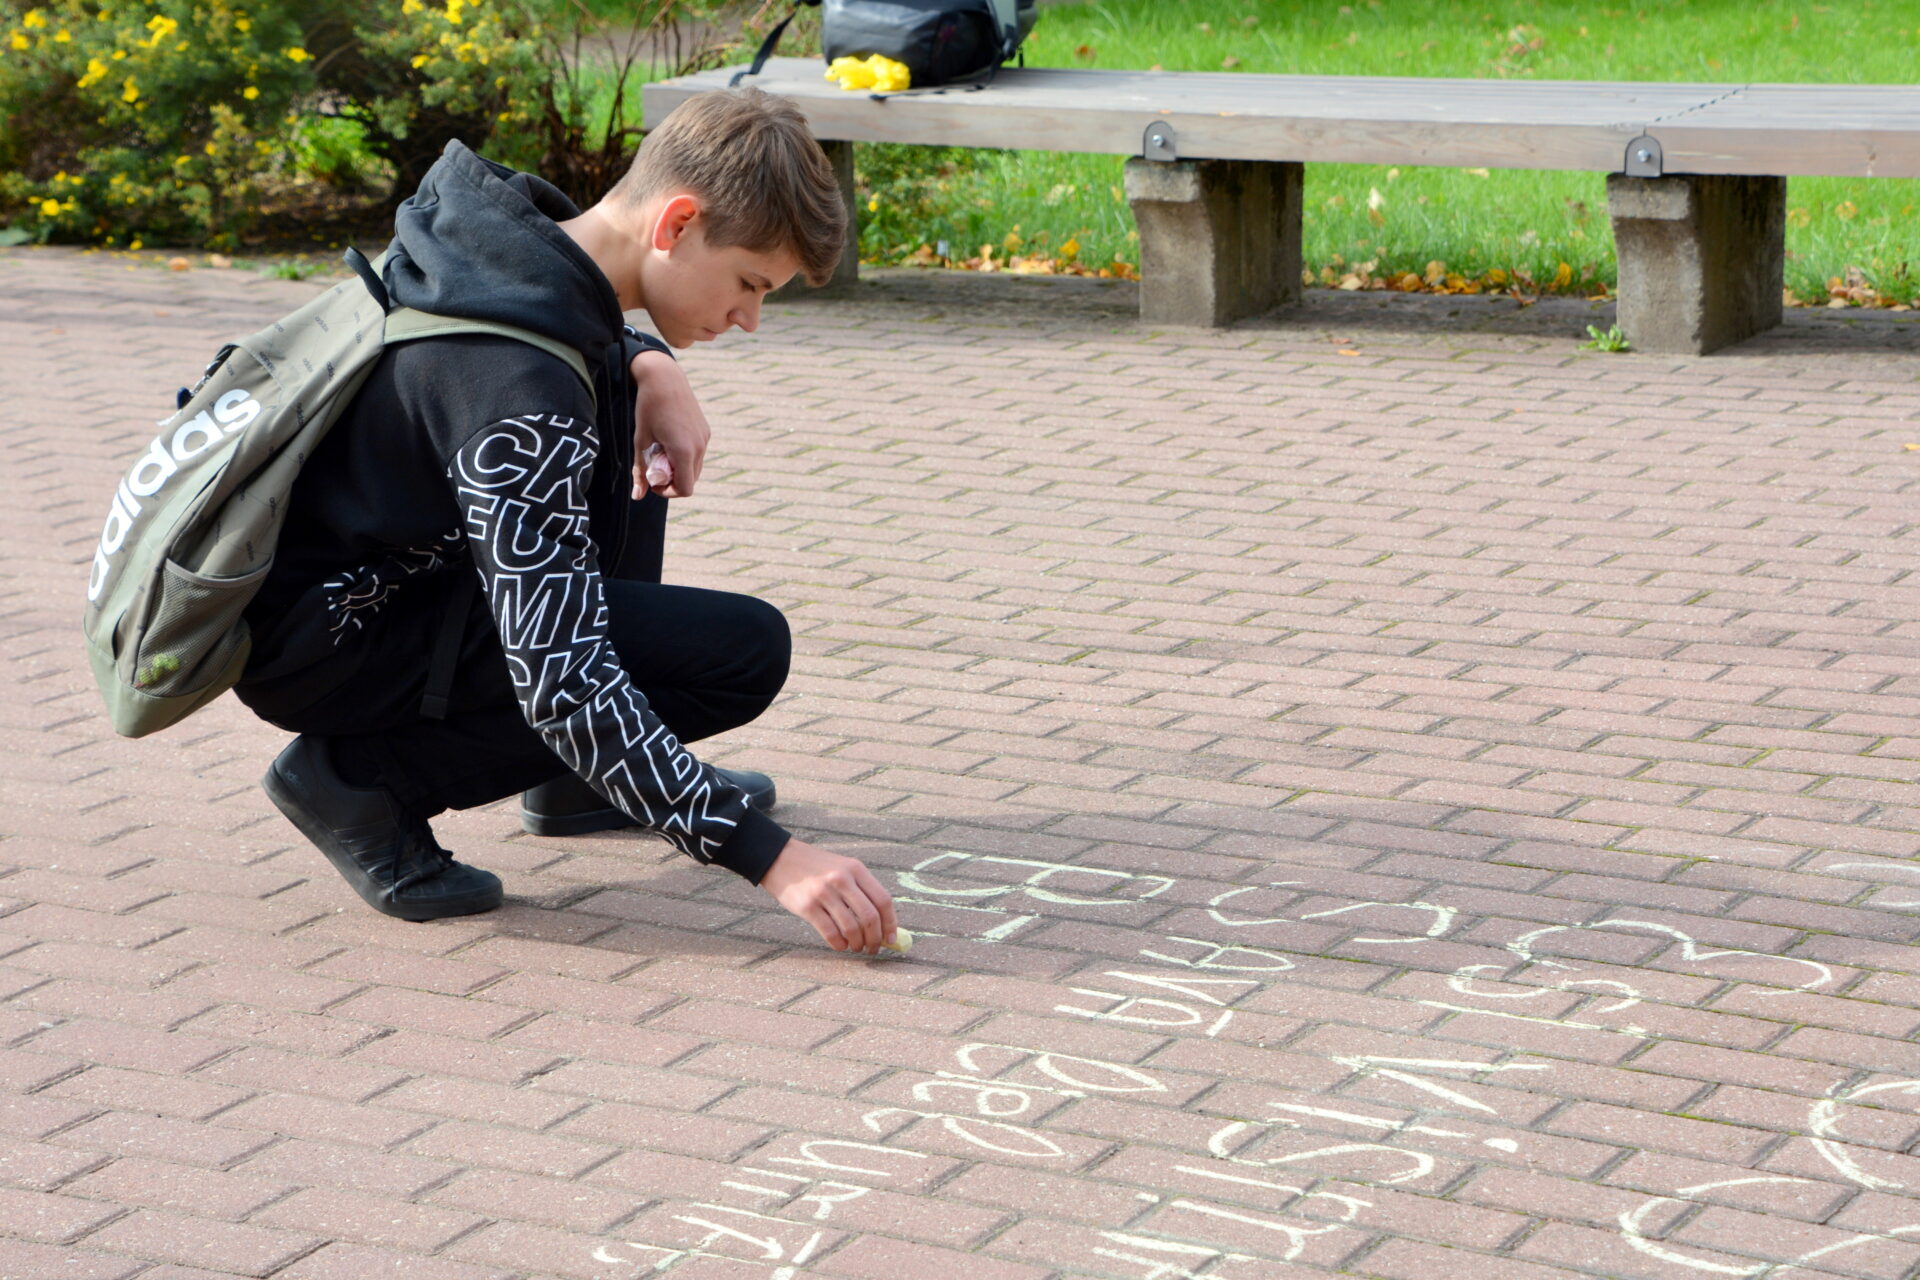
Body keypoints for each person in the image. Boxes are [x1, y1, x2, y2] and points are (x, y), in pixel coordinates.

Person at [234, 88, 899, 955]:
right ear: (678, 222)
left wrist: (650, 361)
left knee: (620, 406)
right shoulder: (521, 397)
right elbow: (565, 682)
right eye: (748, 282)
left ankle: (581, 786)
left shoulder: (500, 248)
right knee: (743, 655)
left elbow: (564, 330)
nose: (749, 318)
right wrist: (768, 858)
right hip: (339, 640)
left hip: (360, 584)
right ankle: (355, 781)